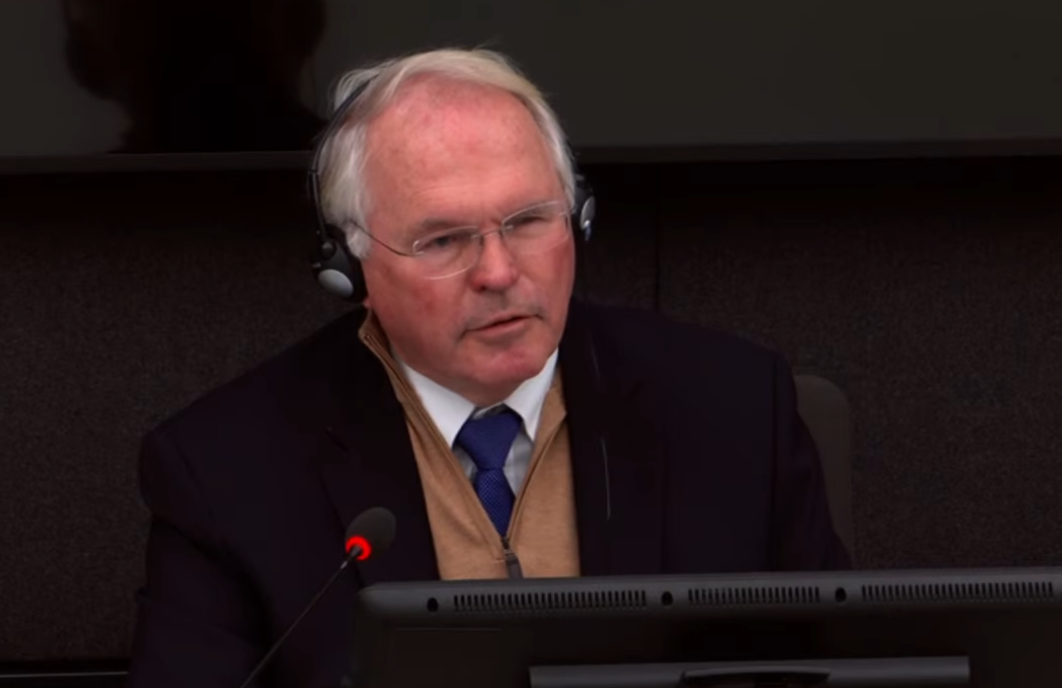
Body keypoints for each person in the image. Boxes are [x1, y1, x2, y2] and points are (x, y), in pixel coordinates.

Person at [128, 48, 849, 688]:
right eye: (443, 240)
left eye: (529, 221)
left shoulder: (732, 408)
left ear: (578, 218)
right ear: (350, 267)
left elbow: (843, 666)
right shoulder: (226, 470)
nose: (499, 272)